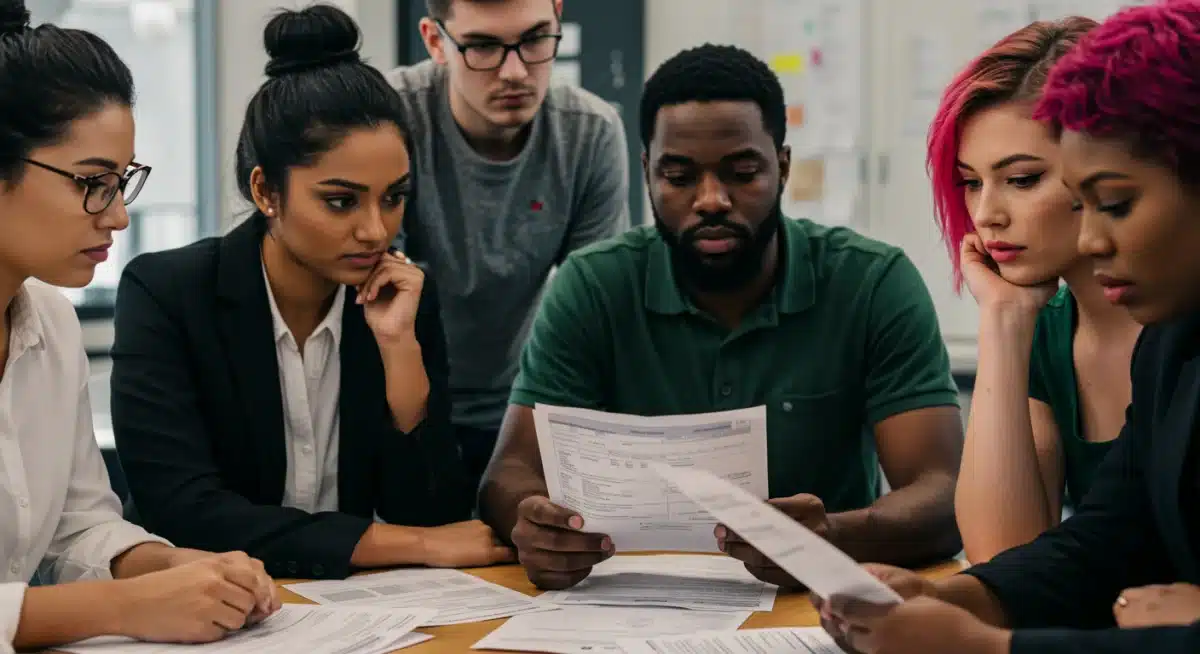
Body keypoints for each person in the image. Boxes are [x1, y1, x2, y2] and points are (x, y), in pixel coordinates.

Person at [480, 43, 965, 591]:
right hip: (628, 606)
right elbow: (510, 474)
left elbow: (944, 494)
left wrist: (830, 535)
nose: (711, 199)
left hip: (816, 606)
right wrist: (536, 523)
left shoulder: (872, 282)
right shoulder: (592, 286)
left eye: (741, 172)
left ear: (782, 165)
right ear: (647, 173)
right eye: (679, 175)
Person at [815, 2, 1200, 652]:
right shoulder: (1167, 341)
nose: (985, 216)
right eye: (968, 184)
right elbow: (1104, 536)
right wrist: (958, 596)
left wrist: (984, 645)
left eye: (1112, 202)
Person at [109, 4, 514, 582]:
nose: (376, 230)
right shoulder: (168, 294)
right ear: (265, 190)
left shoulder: (402, 300)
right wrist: (410, 543)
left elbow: (435, 512)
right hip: (200, 608)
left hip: (354, 616)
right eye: (341, 201)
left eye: (394, 197)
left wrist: (400, 353)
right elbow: (186, 514)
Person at [0, 1, 279, 650]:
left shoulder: (53, 326)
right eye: (92, 183)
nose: (119, 217)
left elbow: (77, 527)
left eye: (123, 182)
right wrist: (121, 604)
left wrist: (176, 566)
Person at [387, 0, 631, 491]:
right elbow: (368, 286)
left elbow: (600, 315)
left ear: (558, 18)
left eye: (536, 40)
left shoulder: (590, 134)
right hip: (400, 401)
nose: (515, 71)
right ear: (436, 41)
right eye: (482, 46)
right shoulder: (390, 118)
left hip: (530, 406)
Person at [927, 17, 1142, 563]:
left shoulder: (1176, 316)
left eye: (1021, 180)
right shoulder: (1048, 331)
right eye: (971, 182)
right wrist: (1003, 319)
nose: (985, 213)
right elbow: (1005, 559)